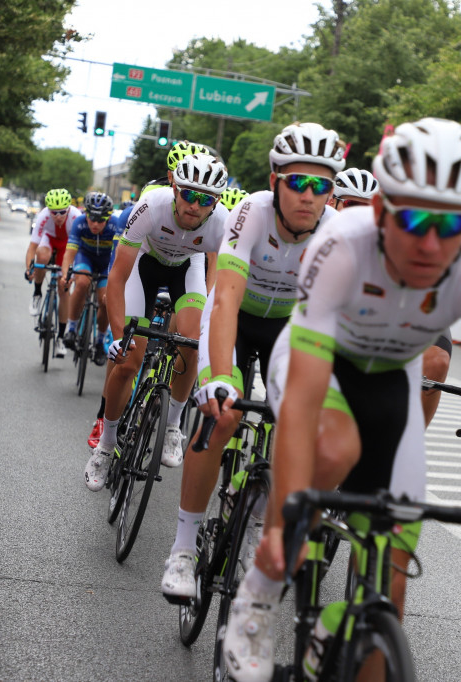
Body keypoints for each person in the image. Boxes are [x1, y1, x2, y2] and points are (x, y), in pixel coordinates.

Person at [220, 118, 461, 681]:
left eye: (451, 223)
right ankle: (256, 597)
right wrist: (281, 524)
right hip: (321, 366)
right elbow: (304, 399)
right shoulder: (341, 245)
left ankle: (340, 629)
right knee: (332, 448)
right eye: (413, 219)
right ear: (379, 210)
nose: (432, 242)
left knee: (389, 590)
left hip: (393, 381)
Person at [159, 122, 344, 603]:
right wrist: (220, 377)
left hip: (288, 326)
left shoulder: (336, 232)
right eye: (297, 183)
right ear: (274, 181)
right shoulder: (251, 214)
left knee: (302, 424)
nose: (308, 195)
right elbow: (223, 304)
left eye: (320, 185)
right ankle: (182, 549)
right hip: (237, 318)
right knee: (225, 413)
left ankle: (258, 511)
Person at [84, 153, 230, 490]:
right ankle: (105, 446)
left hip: (187, 269)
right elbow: (118, 277)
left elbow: (218, 281)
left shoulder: (223, 222)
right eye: (188, 194)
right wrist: (120, 336)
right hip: (142, 268)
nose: (195, 205)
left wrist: (207, 318)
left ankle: (172, 426)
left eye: (205, 199)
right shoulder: (151, 205)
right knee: (128, 361)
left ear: (216, 202)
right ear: (174, 188)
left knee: (191, 343)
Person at [61, 191, 118, 364]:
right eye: (91, 218)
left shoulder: (115, 225)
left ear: (108, 218)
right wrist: (66, 274)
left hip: (107, 263)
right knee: (82, 282)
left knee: (106, 300)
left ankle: (100, 341)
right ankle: (71, 328)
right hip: (85, 258)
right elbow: (69, 252)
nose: (94, 224)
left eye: (100, 220)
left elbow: (118, 257)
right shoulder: (79, 223)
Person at [26, 188, 82, 358]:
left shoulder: (76, 217)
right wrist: (29, 268)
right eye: (54, 212)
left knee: (63, 289)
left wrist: (71, 275)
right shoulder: (43, 216)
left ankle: (60, 337)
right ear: (48, 210)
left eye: (62, 212)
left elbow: (79, 252)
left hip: (69, 245)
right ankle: (37, 293)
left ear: (69, 208)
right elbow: (32, 248)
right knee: (42, 255)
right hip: (49, 240)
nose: (58, 216)